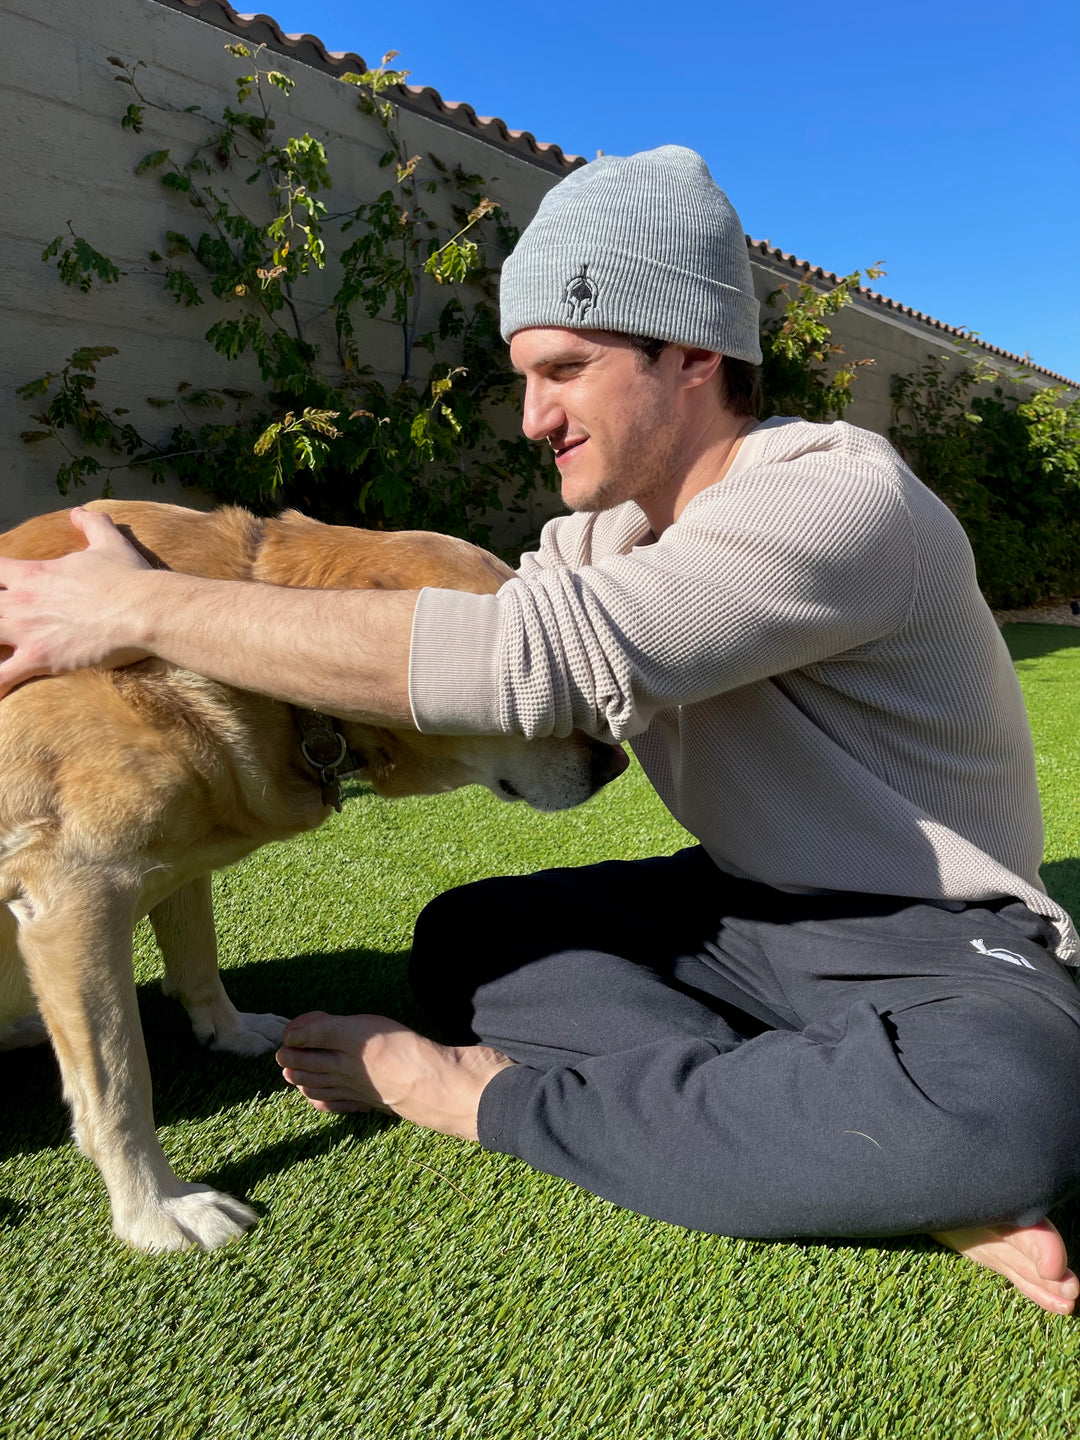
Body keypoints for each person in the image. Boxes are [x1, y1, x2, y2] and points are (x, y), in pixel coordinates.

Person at [1, 146, 1078, 1315]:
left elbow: (530, 662)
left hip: (919, 936)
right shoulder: (605, 536)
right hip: (744, 909)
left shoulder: (833, 498)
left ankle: (491, 1097)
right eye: (525, 377)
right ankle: (814, 1137)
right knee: (476, 932)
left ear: (693, 354)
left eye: (564, 368)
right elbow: (446, 618)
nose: (531, 418)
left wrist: (138, 605)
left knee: (1008, 1106)